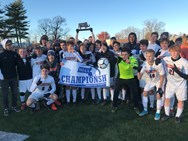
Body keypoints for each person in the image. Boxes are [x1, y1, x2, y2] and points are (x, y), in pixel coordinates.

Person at [162, 45, 188, 123]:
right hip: (170, 83)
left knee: (180, 100)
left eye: (176, 51)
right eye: (172, 51)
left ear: (179, 52)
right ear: (170, 52)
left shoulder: (184, 62)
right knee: (167, 98)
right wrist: (157, 61)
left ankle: (177, 116)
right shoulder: (166, 59)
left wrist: (177, 71)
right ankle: (167, 114)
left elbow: (186, 77)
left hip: (181, 84)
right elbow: (157, 60)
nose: (174, 53)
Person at [138, 49, 165, 120]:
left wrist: (159, 88)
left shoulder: (158, 64)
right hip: (151, 81)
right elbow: (139, 77)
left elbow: (162, 76)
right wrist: (138, 71)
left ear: (153, 56)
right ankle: (145, 110)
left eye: (150, 56)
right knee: (144, 93)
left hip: (159, 80)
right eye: (147, 56)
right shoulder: (144, 64)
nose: (149, 58)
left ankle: (158, 112)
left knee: (158, 95)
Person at [111, 48, 140, 114]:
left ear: (129, 54)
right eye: (122, 55)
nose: (124, 56)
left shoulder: (132, 59)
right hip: (121, 77)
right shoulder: (119, 59)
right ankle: (114, 106)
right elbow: (112, 59)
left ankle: (136, 107)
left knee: (135, 92)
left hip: (130, 77)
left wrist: (129, 62)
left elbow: (135, 67)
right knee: (116, 91)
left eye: (126, 55)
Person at [0, 39, 21, 116]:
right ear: (4, 46)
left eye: (11, 44)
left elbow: (20, 62)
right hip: (4, 79)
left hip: (14, 77)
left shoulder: (14, 54)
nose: (10, 46)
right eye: (8, 45)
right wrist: (1, 76)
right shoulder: (1, 55)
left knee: (15, 93)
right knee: (5, 94)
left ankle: (14, 106)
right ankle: (6, 108)